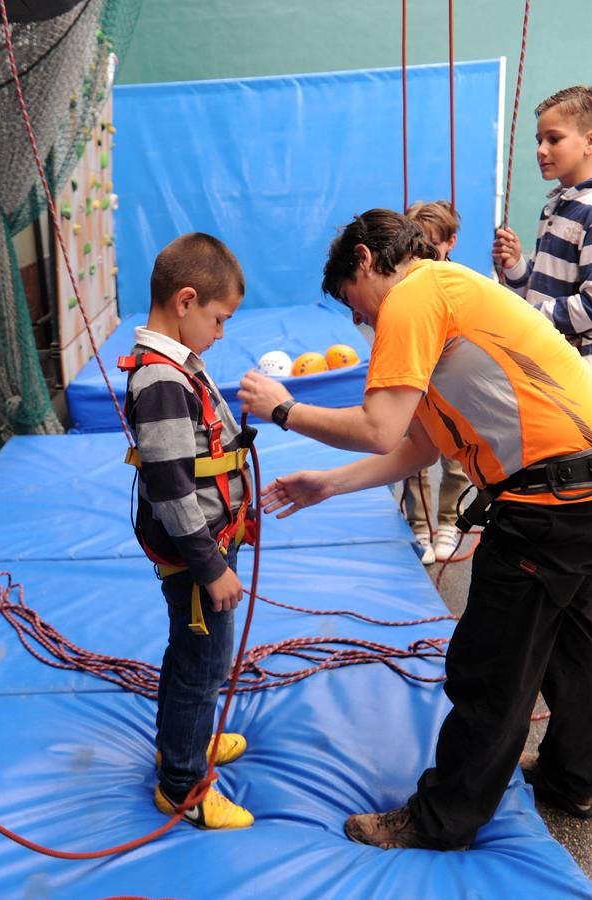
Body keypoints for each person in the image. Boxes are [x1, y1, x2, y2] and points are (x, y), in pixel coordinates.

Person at [238, 209, 592, 851]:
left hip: (551, 500)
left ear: (369, 262)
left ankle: (441, 819)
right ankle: (575, 778)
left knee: (492, 666)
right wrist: (328, 483)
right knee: (578, 648)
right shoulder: (449, 297)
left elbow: (377, 425)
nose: (358, 321)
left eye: (353, 302)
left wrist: (284, 409)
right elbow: (417, 448)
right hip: (581, 490)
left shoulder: (416, 294)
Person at [120, 232, 254, 830]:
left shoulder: (177, 368)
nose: (221, 333)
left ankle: (183, 741)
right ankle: (182, 784)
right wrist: (211, 567)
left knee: (190, 656)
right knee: (204, 666)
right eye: (219, 319)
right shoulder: (161, 382)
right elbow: (174, 488)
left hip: (208, 549)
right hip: (198, 560)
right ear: (186, 300)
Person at [493, 85, 592, 366]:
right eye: (539, 140)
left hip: (577, 374)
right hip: (547, 359)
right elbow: (541, 288)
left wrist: (528, 320)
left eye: (553, 139)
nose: (541, 150)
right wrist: (515, 265)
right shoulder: (556, 206)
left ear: (589, 142)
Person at [403, 201, 469, 564]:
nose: (424, 255)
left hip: (455, 382)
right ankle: (418, 523)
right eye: (417, 247)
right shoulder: (407, 285)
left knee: (457, 455)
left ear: (451, 243)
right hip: (419, 380)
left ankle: (449, 521)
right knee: (415, 452)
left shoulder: (461, 284)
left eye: (432, 246)